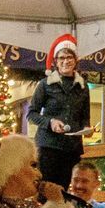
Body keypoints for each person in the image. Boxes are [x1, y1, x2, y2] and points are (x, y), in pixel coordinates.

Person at [25, 35, 90, 188]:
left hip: (71, 149)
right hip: (49, 147)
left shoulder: (83, 86)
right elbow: (31, 114)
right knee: (46, 189)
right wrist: (50, 122)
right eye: (61, 58)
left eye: (69, 57)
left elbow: (85, 117)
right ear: (55, 62)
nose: (65, 61)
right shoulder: (45, 84)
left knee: (65, 192)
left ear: (75, 61)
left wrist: (87, 128)